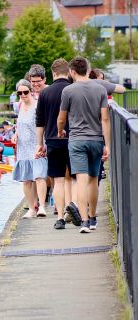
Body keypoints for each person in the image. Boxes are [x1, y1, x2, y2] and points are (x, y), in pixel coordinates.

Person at [57, 57, 111, 233]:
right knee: (94, 179)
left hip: (77, 141)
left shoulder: (68, 90)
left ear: (72, 72)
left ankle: (85, 222)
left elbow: (61, 118)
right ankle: (94, 217)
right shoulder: (100, 89)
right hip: (96, 139)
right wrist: (107, 144)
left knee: (81, 180)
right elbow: (105, 118)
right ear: (88, 70)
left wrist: (60, 131)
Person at [35, 58, 82, 229]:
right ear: (68, 72)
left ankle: (60, 218)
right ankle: (75, 206)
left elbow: (39, 121)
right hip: (73, 138)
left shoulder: (45, 94)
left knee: (59, 180)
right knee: (76, 178)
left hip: (53, 140)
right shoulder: (73, 90)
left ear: (53, 73)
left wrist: (40, 144)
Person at [12, 79, 48, 218]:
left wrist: (43, 144)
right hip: (23, 147)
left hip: (36, 145)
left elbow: (43, 124)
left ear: (30, 91)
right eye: (19, 92)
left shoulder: (38, 106)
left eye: (25, 92)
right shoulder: (20, 106)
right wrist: (15, 134)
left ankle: (42, 207)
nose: (22, 94)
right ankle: (32, 207)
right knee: (26, 179)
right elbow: (19, 124)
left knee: (39, 177)